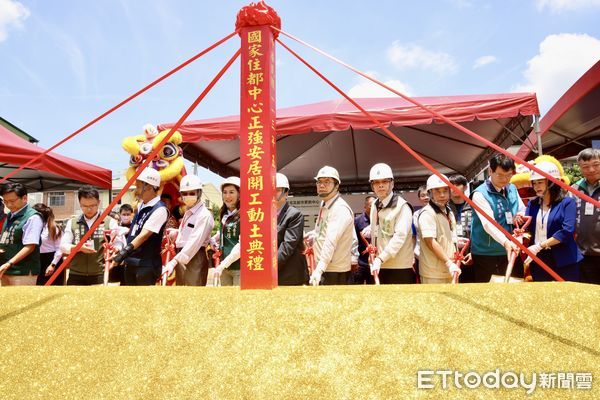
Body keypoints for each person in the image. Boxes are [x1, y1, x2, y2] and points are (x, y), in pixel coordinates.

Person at [471, 154, 526, 282]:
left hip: (512, 249)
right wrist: (506, 242)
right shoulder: (480, 194)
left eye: (509, 175)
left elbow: (521, 209)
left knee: (514, 287)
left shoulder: (512, 188)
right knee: (490, 292)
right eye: (500, 175)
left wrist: (519, 216)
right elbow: (488, 224)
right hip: (487, 253)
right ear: (490, 171)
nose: (505, 179)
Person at [525, 161, 582, 281]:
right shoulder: (532, 204)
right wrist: (521, 230)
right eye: (534, 183)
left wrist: (541, 245)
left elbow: (567, 231)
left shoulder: (567, 203)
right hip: (539, 260)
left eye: (540, 182)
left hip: (564, 260)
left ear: (551, 182)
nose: (536, 186)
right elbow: (528, 229)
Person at [111, 168, 168, 285]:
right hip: (131, 262)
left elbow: (144, 236)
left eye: (138, 185)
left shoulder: (160, 209)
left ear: (148, 186)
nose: (135, 189)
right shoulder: (141, 206)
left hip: (146, 265)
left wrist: (122, 254)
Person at [308, 166, 358, 286]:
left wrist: (319, 270)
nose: (322, 185)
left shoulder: (339, 208)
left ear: (337, 186)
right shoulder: (325, 203)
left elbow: (331, 241)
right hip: (325, 268)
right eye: (319, 182)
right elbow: (324, 230)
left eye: (327, 182)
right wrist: (314, 234)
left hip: (335, 271)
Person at [368, 163, 415, 284]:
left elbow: (400, 237)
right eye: (376, 182)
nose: (381, 185)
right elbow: (376, 231)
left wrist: (380, 258)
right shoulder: (375, 205)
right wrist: (374, 254)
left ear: (392, 183)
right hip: (380, 265)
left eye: (385, 181)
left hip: (399, 266)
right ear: (372, 186)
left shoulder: (402, 206)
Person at [163, 174, 214, 286]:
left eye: (192, 193)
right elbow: (188, 235)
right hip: (181, 254)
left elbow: (194, 241)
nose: (188, 196)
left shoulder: (204, 215)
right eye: (185, 193)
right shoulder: (188, 212)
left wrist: (174, 261)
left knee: (193, 295)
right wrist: (177, 233)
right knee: (182, 294)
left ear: (199, 193)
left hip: (195, 256)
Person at [60, 186, 116, 285]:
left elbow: (119, 243)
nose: (89, 209)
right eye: (84, 206)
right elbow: (63, 246)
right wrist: (78, 248)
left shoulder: (109, 222)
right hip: (75, 274)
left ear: (99, 202)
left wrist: (113, 250)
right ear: (80, 204)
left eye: (93, 205)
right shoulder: (73, 222)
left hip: (99, 274)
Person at [417, 174, 461, 284]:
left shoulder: (448, 211)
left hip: (451, 269)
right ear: (430, 193)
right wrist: (449, 263)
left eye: (445, 190)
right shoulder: (427, 213)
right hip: (434, 273)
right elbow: (430, 241)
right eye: (437, 191)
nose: (442, 195)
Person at [0, 183, 43, 285]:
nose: (9, 205)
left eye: (12, 201)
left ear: (24, 198)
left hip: (22, 272)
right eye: (5, 201)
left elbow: (30, 246)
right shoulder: (10, 216)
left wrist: (9, 263)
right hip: (6, 269)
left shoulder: (33, 217)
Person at [570, 148, 600, 284]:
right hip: (584, 253)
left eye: (596, 165)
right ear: (580, 168)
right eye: (586, 166)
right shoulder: (574, 190)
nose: (591, 170)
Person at [275, 173, 308, 286]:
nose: (273, 193)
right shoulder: (264, 215)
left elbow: (287, 246)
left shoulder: (294, 215)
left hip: (290, 275)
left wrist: (270, 267)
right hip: (272, 274)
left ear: (286, 193)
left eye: (277, 190)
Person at [212, 177, 241, 286]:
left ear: (239, 194)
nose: (227, 196)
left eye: (231, 192)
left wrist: (223, 265)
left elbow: (241, 246)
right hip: (224, 267)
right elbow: (225, 232)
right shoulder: (224, 214)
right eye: (225, 192)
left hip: (239, 268)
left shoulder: (244, 214)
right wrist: (214, 238)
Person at [448, 174, 474, 283]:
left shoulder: (474, 205)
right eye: (451, 185)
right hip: (450, 255)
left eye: (457, 185)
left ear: (465, 187)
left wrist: (474, 251)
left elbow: (479, 230)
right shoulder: (444, 208)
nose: (453, 187)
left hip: (470, 255)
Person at [34, 204, 64, 286]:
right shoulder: (33, 227)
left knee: (53, 287)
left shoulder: (53, 228)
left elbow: (60, 248)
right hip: (37, 259)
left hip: (51, 259)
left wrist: (53, 264)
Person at [352, 195, 376, 284]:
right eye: (371, 205)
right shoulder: (357, 221)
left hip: (374, 262)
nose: (373, 207)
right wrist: (354, 260)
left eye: (375, 205)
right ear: (365, 207)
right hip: (360, 262)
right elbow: (353, 241)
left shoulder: (379, 220)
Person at [108, 203, 134, 285]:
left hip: (131, 262)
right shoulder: (115, 228)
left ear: (132, 214)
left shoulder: (135, 227)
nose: (126, 216)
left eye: (128, 214)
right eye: (124, 214)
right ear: (120, 215)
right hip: (118, 262)